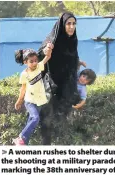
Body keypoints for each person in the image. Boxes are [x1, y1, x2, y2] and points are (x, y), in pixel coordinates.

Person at [37, 12, 85, 145]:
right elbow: (39, 55)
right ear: (62, 25)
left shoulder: (73, 40)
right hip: (51, 86)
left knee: (63, 120)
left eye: (74, 24)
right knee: (47, 120)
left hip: (66, 87)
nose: (71, 27)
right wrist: (45, 51)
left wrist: (78, 62)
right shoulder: (51, 40)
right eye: (68, 23)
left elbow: (71, 59)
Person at [13, 43, 53, 145]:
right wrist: (19, 101)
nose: (34, 63)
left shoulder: (39, 66)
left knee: (31, 121)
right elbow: (23, 89)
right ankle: (21, 137)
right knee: (35, 118)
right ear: (25, 62)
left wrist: (49, 48)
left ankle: (22, 143)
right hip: (30, 101)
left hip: (39, 101)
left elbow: (47, 57)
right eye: (31, 61)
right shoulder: (24, 74)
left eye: (36, 60)